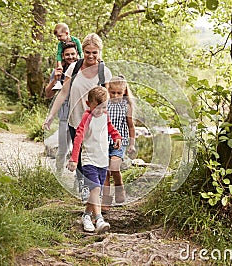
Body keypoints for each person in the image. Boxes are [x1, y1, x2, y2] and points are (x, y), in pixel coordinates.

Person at [43, 33, 113, 202]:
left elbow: (106, 100)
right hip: (75, 120)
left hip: (95, 122)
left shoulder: (105, 73)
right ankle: (83, 186)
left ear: (99, 52)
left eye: (94, 52)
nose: (90, 56)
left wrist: (110, 126)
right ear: (84, 51)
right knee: (79, 153)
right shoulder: (73, 68)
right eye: (88, 52)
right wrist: (51, 115)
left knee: (94, 153)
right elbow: (63, 94)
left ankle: (95, 187)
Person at [67, 86, 122, 233]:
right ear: (88, 104)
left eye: (103, 107)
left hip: (102, 159)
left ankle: (86, 216)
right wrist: (74, 159)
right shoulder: (87, 117)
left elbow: (110, 128)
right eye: (96, 107)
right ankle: (99, 220)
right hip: (89, 159)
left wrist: (117, 137)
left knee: (96, 192)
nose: (100, 110)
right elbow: (78, 137)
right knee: (96, 188)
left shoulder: (105, 114)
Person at [102, 75, 136, 211]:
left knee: (114, 167)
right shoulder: (104, 104)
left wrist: (132, 144)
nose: (115, 95)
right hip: (103, 142)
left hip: (118, 142)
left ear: (124, 93)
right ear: (108, 90)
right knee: (105, 171)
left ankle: (119, 187)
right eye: (113, 92)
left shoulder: (126, 106)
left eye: (119, 93)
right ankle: (105, 199)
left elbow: (131, 126)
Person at [44, 42, 79, 173]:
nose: (70, 57)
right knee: (63, 148)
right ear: (63, 56)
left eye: (72, 54)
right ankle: (59, 171)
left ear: (77, 54)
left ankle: (79, 178)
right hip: (65, 115)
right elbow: (48, 94)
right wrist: (55, 79)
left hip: (81, 114)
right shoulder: (58, 71)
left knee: (80, 147)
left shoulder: (82, 69)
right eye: (67, 55)